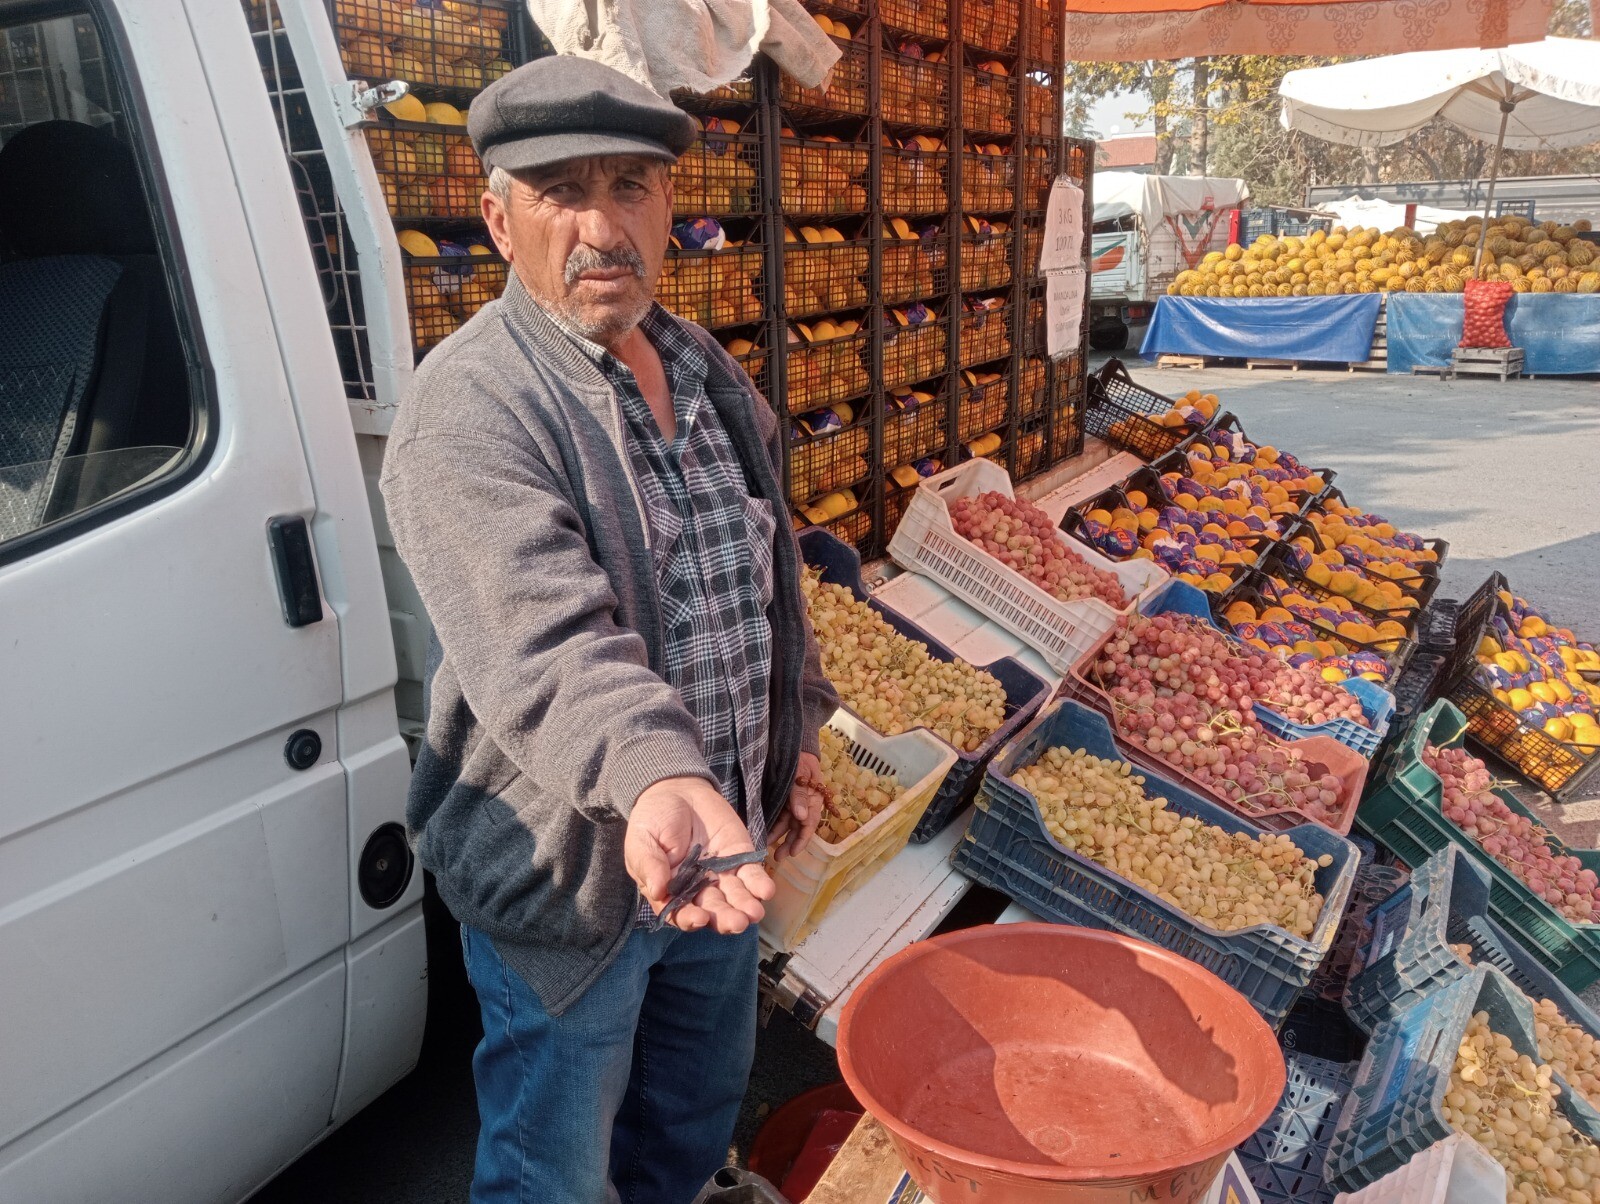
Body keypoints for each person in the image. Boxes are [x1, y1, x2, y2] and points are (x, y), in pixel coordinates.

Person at [379, 55, 838, 1204]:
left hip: (714, 854)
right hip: (572, 882)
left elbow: (767, 571)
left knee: (684, 1126)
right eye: (559, 193)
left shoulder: (702, 368)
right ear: (497, 218)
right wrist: (656, 775)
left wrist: (798, 741)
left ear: (668, 207)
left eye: (629, 187)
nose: (601, 225)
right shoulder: (470, 406)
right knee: (554, 1171)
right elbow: (546, 641)